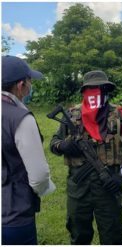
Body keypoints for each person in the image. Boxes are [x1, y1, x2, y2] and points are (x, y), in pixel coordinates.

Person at [50, 70, 122, 244]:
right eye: (91, 89)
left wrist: (121, 177)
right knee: (78, 237)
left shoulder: (121, 115)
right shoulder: (70, 116)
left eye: (100, 88)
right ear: (84, 92)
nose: (96, 93)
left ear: (107, 90)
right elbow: (54, 143)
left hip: (108, 188)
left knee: (113, 237)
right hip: (78, 189)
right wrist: (63, 146)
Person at [2, 55, 56, 245]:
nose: (31, 86)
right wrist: (43, 189)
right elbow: (40, 175)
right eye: (30, 81)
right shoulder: (21, 118)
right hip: (14, 216)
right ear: (20, 85)